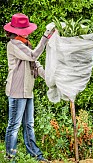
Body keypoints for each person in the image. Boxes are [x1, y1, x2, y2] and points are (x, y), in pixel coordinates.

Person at [3, 13, 55, 163]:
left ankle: (35, 155)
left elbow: (36, 65)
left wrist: (50, 79)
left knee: (29, 124)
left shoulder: (26, 43)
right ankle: (10, 157)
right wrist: (45, 37)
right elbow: (33, 56)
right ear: (17, 30)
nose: (27, 31)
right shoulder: (14, 44)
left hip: (28, 90)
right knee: (14, 125)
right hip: (17, 90)